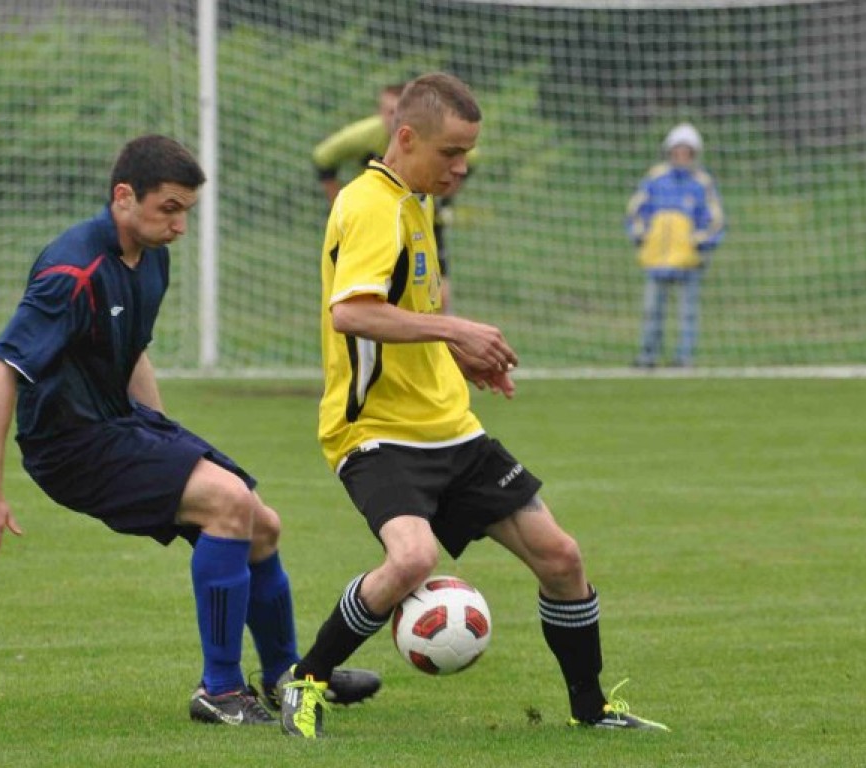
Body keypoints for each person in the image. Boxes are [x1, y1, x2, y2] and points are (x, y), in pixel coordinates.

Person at [277, 73, 668, 738]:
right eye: (451, 152)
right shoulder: (370, 205)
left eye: (467, 153)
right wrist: (457, 329)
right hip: (376, 431)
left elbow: (405, 314)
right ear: (406, 138)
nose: (461, 167)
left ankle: (592, 709)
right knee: (412, 559)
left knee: (561, 557)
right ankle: (306, 681)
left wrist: (457, 357)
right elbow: (352, 313)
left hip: (450, 428)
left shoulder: (416, 200)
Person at [0, 134, 379, 727]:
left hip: (119, 425)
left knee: (261, 524)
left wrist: (162, 434)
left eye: (186, 211)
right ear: (123, 197)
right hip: (70, 445)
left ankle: (285, 675)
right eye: (169, 209)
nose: (180, 225)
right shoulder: (71, 271)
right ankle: (220, 691)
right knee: (229, 505)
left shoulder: (152, 256)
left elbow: (131, 351)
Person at [312, 82, 472, 313]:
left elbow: (467, 161)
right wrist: (336, 202)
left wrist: (444, 195)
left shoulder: (435, 153)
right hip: (379, 219)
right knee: (377, 293)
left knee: (436, 294)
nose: (394, 119)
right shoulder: (364, 140)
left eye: (400, 112)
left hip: (423, 218)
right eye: (389, 112)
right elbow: (323, 158)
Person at [625, 122, 725, 368]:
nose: (681, 156)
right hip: (658, 259)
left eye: (686, 152)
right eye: (677, 151)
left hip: (689, 261)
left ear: (694, 154)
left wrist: (700, 241)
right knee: (652, 311)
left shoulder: (701, 183)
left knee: (688, 313)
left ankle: (684, 357)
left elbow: (715, 220)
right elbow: (635, 211)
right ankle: (648, 355)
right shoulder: (656, 178)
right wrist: (641, 235)